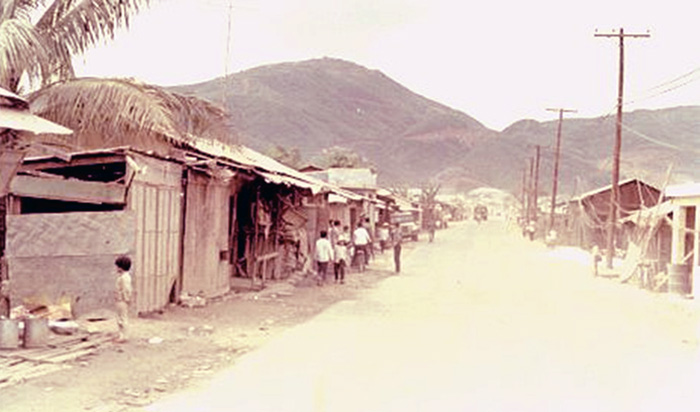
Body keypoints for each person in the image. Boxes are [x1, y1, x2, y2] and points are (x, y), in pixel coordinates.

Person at [114, 255, 133, 343]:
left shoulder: (124, 277)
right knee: (121, 317)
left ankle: (124, 336)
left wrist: (125, 299)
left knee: (122, 318)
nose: (116, 268)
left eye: (117, 266)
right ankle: (122, 335)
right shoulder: (125, 276)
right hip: (121, 299)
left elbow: (126, 289)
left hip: (121, 300)